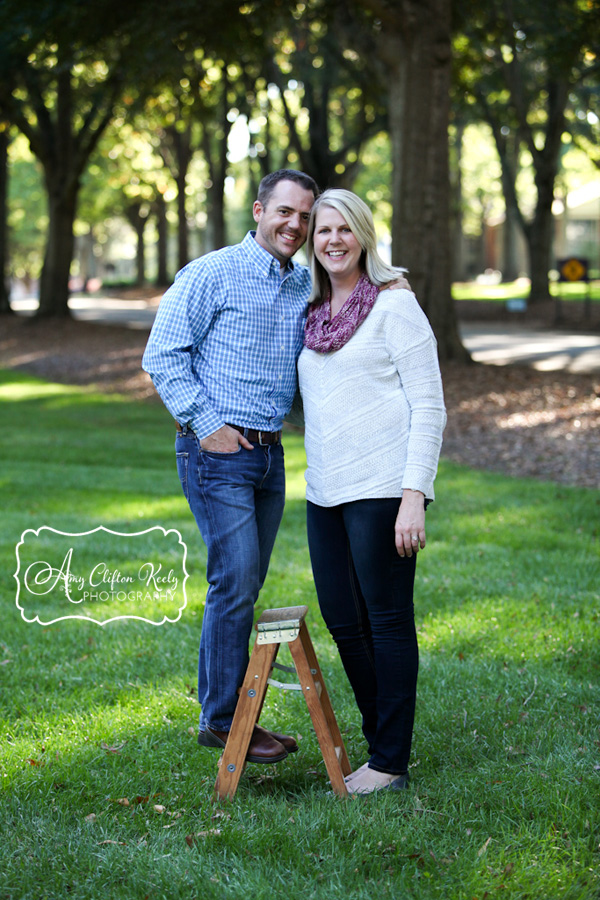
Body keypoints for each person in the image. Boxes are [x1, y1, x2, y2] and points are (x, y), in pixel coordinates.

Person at [142, 170, 319, 765]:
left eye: (305, 217)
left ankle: (228, 714)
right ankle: (221, 720)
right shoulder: (212, 272)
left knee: (244, 583)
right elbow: (163, 354)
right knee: (235, 581)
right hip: (216, 453)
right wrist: (205, 424)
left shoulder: (301, 289)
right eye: (285, 212)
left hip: (270, 456)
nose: (294, 225)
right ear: (259, 209)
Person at [298, 189, 447, 794]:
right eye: (322, 230)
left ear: (363, 235)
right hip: (324, 491)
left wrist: (416, 494)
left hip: (384, 488)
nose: (332, 240)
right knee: (342, 618)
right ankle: (378, 739)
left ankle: (390, 761)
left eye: (343, 229)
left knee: (386, 621)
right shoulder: (312, 312)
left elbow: (430, 406)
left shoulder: (394, 306)